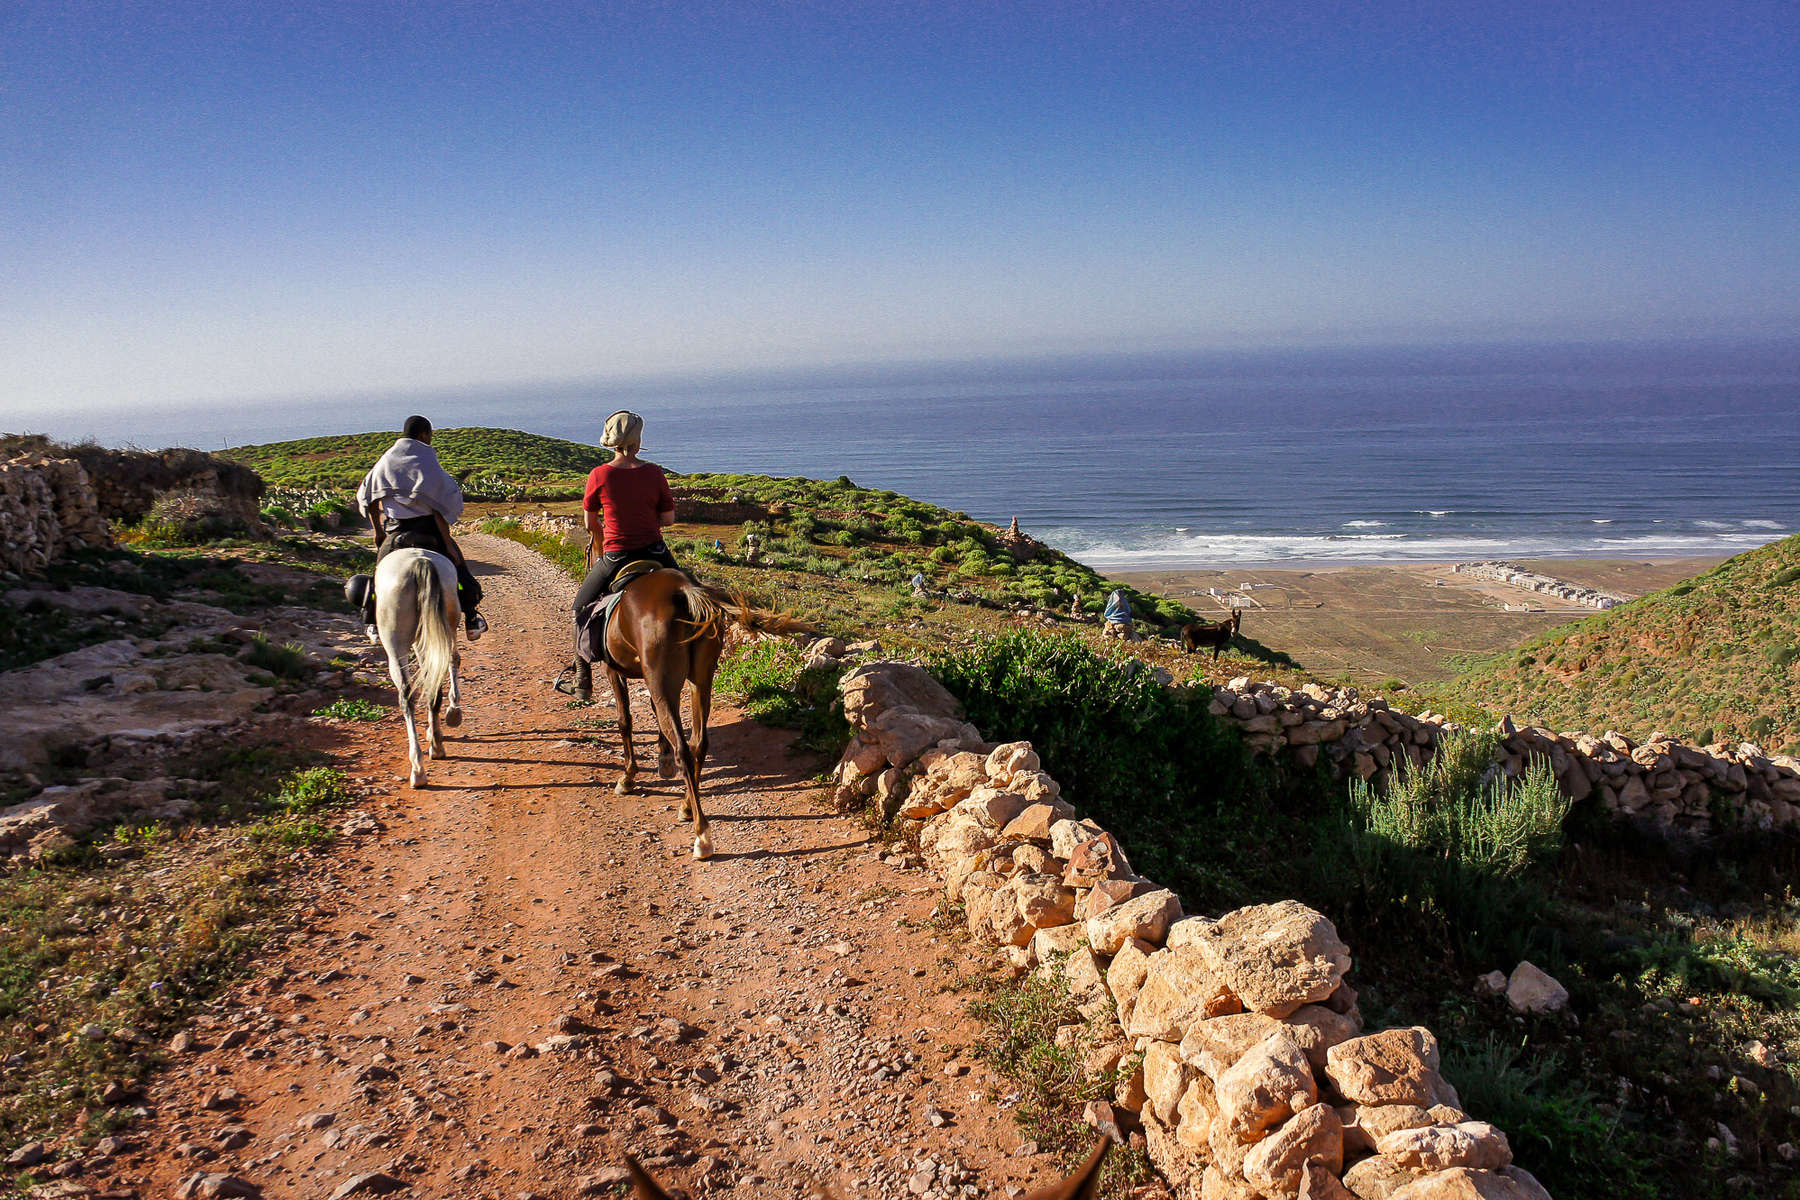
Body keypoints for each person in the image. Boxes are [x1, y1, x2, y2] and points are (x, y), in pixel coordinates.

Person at [565, 411, 679, 696]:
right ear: (637, 442)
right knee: (697, 597)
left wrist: (604, 538)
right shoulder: (654, 472)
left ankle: (582, 680)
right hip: (656, 550)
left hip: (616, 556)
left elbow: (591, 524)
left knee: (581, 607)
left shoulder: (599, 475)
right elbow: (668, 519)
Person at [354, 416, 486, 642]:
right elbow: (438, 509)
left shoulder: (386, 460)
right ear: (424, 434)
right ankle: (472, 618)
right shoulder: (426, 461)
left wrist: (378, 532)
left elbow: (370, 499)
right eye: (430, 435)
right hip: (429, 530)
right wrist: (447, 544)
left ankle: (373, 621)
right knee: (460, 573)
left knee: (378, 576)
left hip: (396, 532)